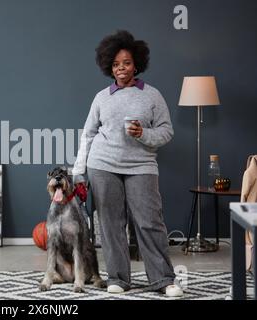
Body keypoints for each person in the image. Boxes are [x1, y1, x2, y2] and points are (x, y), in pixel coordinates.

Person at [72, 30, 183, 297]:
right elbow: (87, 134)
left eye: (126, 63)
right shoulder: (102, 97)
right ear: (109, 66)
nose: (121, 69)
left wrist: (143, 133)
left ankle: (164, 280)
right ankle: (118, 279)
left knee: (149, 222)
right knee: (110, 224)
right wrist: (78, 171)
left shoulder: (152, 95)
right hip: (103, 164)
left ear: (137, 64)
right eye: (116, 64)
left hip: (142, 165)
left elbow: (167, 131)